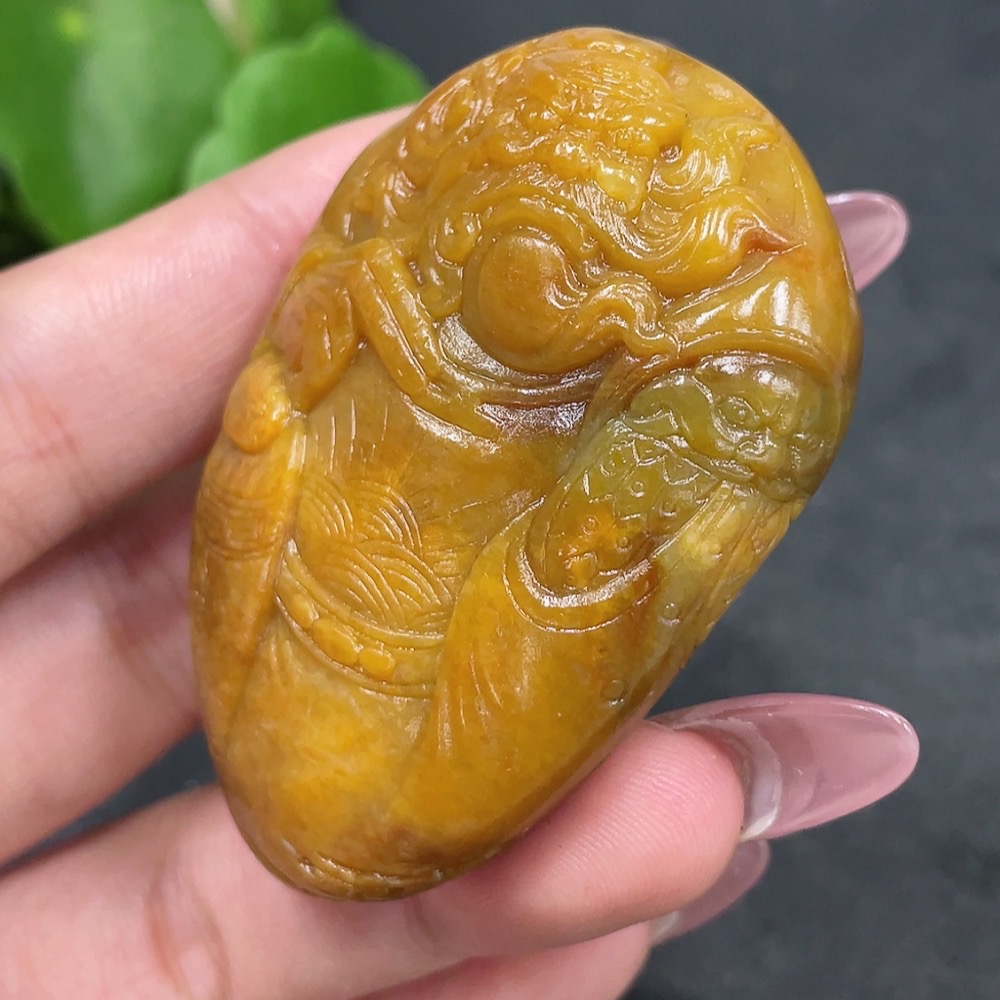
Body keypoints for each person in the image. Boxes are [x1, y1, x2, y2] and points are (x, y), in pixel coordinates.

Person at [0, 110, 917, 999]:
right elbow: (278, 415)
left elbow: (594, 575)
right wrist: (281, 409)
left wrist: (587, 549)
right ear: (474, 232)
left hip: (433, 704)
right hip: (294, 652)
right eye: (563, 257)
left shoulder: (632, 399)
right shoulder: (369, 298)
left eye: (625, 278)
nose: (608, 303)